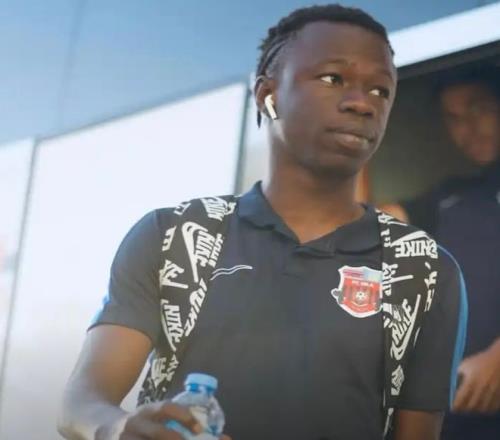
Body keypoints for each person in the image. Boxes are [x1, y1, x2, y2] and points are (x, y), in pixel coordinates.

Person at [58, 5, 467, 440]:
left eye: (380, 90)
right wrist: (119, 428)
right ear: (267, 95)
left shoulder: (424, 270)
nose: (362, 103)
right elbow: (81, 403)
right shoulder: (175, 237)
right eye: (334, 78)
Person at [382, 65, 500, 439]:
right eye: (453, 118)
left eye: (478, 108)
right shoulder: (453, 196)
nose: (467, 127)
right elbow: (387, 219)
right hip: (451, 419)